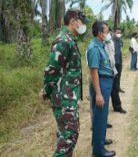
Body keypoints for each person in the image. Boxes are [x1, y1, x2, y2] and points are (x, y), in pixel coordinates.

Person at [39, 9, 88, 156]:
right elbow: (51, 70)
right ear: (73, 21)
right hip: (63, 98)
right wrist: (46, 91)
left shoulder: (69, 40)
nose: (83, 25)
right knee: (69, 136)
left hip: (68, 96)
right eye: (82, 21)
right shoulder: (63, 41)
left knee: (66, 134)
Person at [87, 21, 116, 157]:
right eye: (106, 31)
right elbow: (94, 72)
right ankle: (98, 151)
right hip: (101, 84)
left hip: (105, 82)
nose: (108, 34)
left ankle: (99, 140)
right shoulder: (93, 48)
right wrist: (98, 94)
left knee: (102, 116)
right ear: (100, 33)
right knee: (100, 117)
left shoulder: (101, 45)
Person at [111, 28, 127, 113]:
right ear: (114, 32)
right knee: (114, 86)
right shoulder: (110, 41)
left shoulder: (120, 41)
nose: (119, 34)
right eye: (117, 32)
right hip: (113, 64)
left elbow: (120, 51)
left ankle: (117, 105)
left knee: (116, 84)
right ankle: (117, 106)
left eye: (120, 33)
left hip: (119, 62)